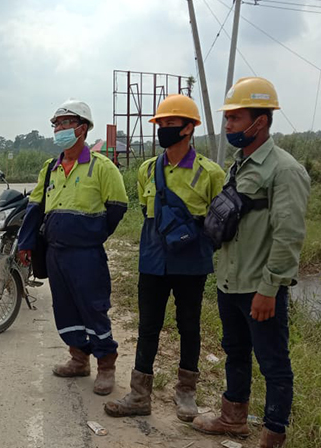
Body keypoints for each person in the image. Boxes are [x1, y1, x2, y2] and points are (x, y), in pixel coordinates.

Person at [191, 77, 310, 448]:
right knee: (235, 351)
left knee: (274, 363)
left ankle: (270, 447)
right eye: (227, 118)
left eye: (235, 118)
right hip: (230, 282)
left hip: (260, 289)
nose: (228, 125)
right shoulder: (238, 165)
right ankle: (233, 417)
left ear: (261, 121)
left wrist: (270, 288)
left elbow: (288, 236)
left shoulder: (285, 170)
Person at [105, 95, 225, 422]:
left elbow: (218, 222)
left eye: (170, 123)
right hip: (153, 258)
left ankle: (186, 392)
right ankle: (139, 395)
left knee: (189, 325)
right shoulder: (147, 170)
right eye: (161, 123)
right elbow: (147, 212)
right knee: (148, 325)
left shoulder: (210, 173)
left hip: (191, 262)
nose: (163, 129)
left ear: (189, 128)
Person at [17, 99, 128, 395]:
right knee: (65, 308)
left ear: (83, 128)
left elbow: (117, 206)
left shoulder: (101, 167)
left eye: (66, 123)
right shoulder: (50, 168)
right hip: (55, 252)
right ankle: (78, 358)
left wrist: (93, 233)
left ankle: (106, 364)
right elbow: (35, 207)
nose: (59, 129)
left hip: (86, 255)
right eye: (56, 124)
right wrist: (26, 242)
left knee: (93, 307)